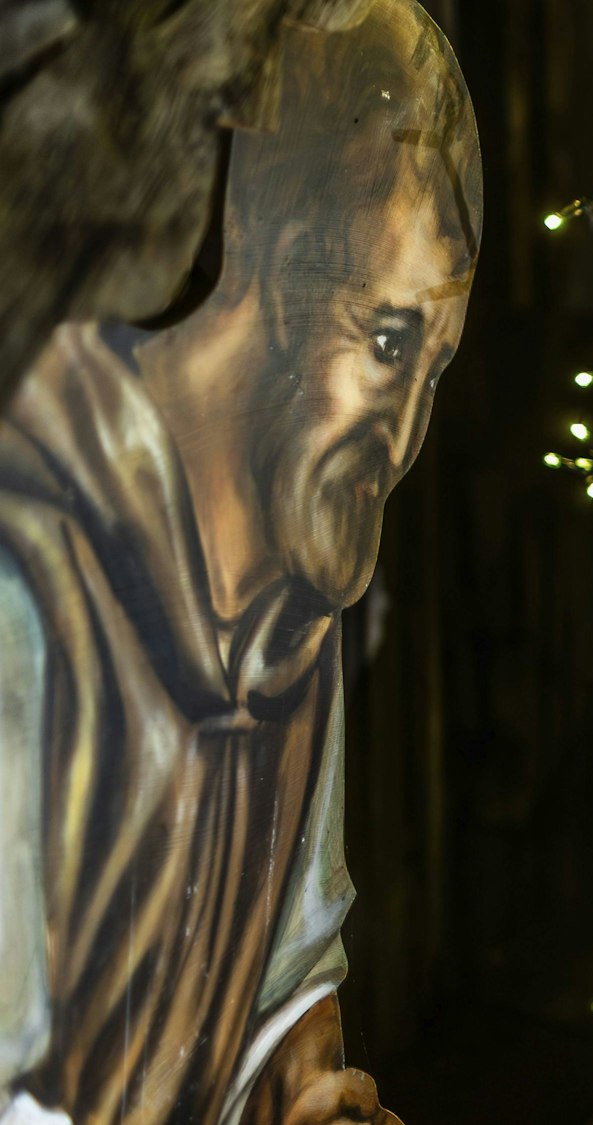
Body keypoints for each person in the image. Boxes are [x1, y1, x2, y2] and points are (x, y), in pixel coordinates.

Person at [0, 3, 480, 1122]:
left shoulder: (290, 617)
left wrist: (308, 1076)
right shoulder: (29, 571)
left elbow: (286, 965)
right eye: (390, 339)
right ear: (266, 266)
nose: (405, 437)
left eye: (436, 372)